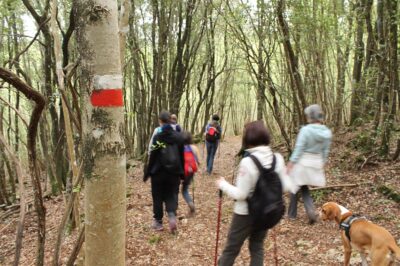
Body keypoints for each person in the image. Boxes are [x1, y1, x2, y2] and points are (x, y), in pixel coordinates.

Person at [216, 120, 287, 266]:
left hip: (244, 214)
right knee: (257, 246)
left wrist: (223, 185)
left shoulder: (248, 162)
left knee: (231, 249)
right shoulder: (277, 159)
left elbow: (241, 194)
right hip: (267, 212)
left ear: (247, 139)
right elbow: (284, 187)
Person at [287, 104, 332, 224]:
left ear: (310, 117)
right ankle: (310, 212)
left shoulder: (305, 130)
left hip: (303, 163)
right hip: (316, 163)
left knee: (294, 186)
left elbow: (299, 148)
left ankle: (292, 214)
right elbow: (325, 152)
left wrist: (291, 163)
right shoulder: (327, 132)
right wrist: (322, 163)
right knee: (303, 187)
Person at [144, 111, 185, 233]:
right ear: (170, 120)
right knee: (171, 195)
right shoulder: (178, 137)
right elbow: (182, 156)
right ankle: (172, 216)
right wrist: (182, 174)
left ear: (160, 121)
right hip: (174, 173)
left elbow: (153, 156)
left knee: (157, 197)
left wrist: (147, 172)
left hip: (158, 173)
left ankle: (158, 222)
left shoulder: (158, 136)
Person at [181, 131, 200, 215]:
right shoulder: (194, 147)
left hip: (181, 171)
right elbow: (198, 161)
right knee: (185, 189)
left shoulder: (179, 148)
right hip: (191, 170)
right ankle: (190, 203)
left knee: (176, 189)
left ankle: (172, 208)